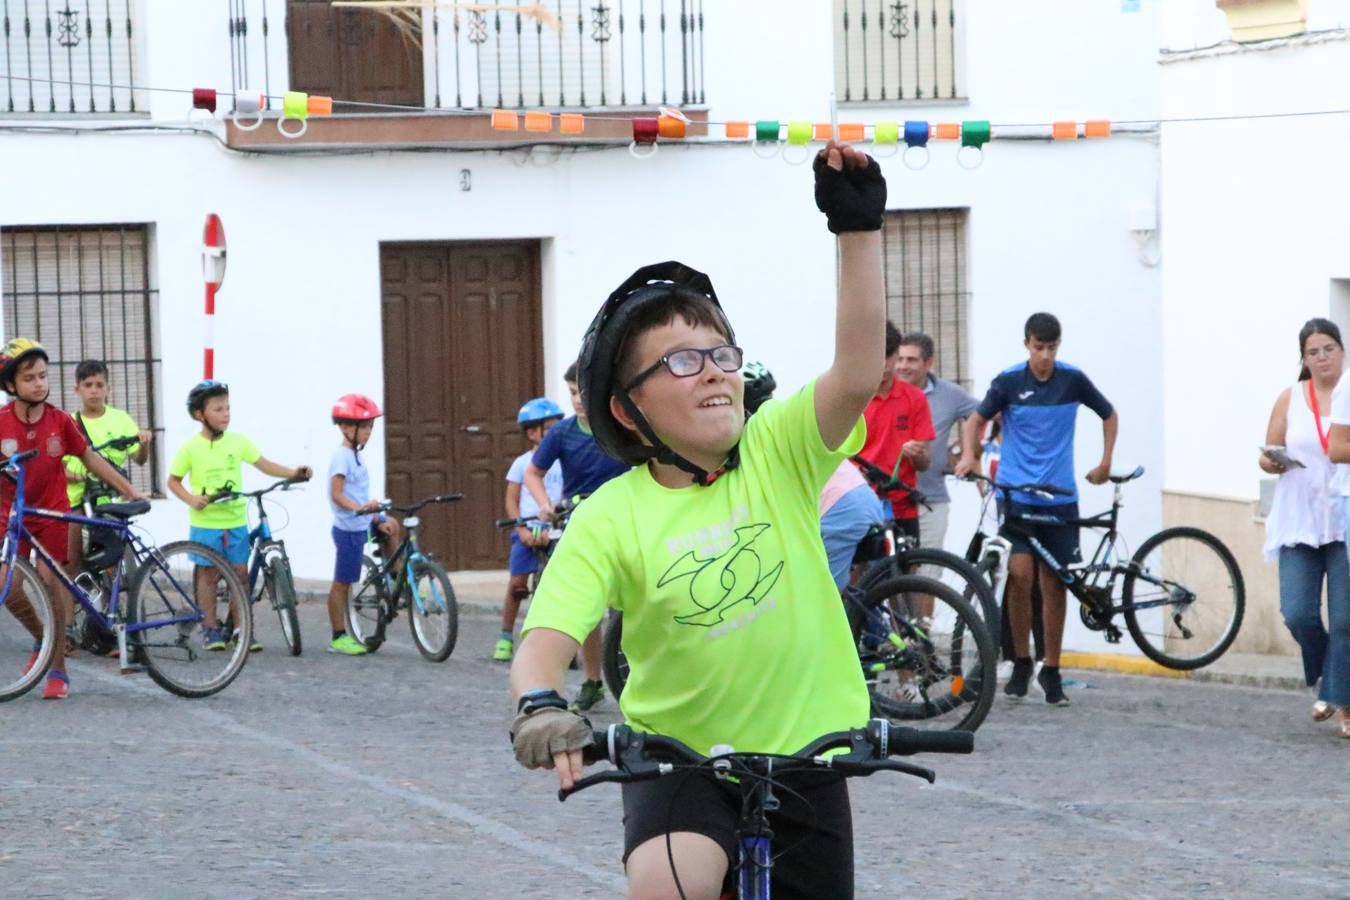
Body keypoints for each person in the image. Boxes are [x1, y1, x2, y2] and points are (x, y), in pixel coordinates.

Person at [509, 141, 885, 897]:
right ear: (629, 408)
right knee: (667, 883)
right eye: (680, 361)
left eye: (720, 353)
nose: (713, 369)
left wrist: (858, 233)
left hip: (810, 757)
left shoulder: (777, 448)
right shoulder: (613, 515)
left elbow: (857, 371)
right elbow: (545, 637)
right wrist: (540, 702)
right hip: (678, 763)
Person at [955, 312, 1117, 706]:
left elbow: (1108, 414)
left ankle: (1053, 669)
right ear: (1026, 344)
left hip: (1061, 497)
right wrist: (971, 459)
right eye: (1039, 347)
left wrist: (1105, 462)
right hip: (1018, 495)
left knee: (1054, 584)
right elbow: (975, 419)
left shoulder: (1072, 379)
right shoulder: (1010, 381)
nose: (1045, 356)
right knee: (1020, 575)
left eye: (1052, 348)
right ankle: (1022, 660)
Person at [0, 339, 145, 700]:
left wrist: (127, 488)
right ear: (10, 385)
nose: (38, 383)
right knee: (7, 585)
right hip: (10, 514)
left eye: (43, 376)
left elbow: (90, 457)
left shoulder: (59, 420)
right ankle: (43, 639)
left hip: (51, 513)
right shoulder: (1, 423)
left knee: (52, 583)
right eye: (29, 377)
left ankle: (58, 670)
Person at [167, 381, 311, 653]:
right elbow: (173, 481)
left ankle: (239, 628)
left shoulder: (238, 442)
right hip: (206, 523)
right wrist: (191, 499)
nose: (226, 414)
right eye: (218, 409)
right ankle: (210, 629)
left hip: (235, 521)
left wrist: (293, 473)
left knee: (240, 574)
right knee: (208, 576)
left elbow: (264, 464)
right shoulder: (190, 448)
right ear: (200, 414)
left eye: (228, 408)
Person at [521, 361, 628, 711]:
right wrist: (544, 504)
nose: (578, 399)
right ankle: (593, 679)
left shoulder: (619, 427)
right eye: (571, 393)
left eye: (583, 391)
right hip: (579, 524)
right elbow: (534, 473)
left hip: (623, 520)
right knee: (590, 608)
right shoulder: (561, 433)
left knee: (629, 605)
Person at [1274, 319, 1349, 740]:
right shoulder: (1291, 397)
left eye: (1328, 349)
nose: (1322, 358)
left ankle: (1344, 704)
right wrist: (1272, 461)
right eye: (1313, 352)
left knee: (1344, 621)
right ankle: (1331, 681)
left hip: (1341, 517)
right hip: (1300, 519)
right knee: (1298, 613)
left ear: (1342, 350)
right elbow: (1269, 448)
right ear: (1303, 359)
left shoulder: (1349, 393)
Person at [326, 393, 400, 656]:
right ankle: (338, 636)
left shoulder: (355, 455)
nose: (369, 432)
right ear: (346, 428)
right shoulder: (342, 457)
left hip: (363, 520)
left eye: (370, 426)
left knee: (391, 524)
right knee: (342, 583)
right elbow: (336, 494)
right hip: (349, 528)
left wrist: (372, 512)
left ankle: (394, 582)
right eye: (364, 427)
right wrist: (359, 508)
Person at [62, 359, 153, 568]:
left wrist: (145, 443)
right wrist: (74, 475)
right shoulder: (69, 421)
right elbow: (58, 465)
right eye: (88, 385)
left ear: (108, 389)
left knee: (111, 561)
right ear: (77, 389)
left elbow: (139, 459)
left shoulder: (121, 419)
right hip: (76, 500)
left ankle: (113, 599)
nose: (94, 391)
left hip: (109, 500)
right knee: (69, 561)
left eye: (99, 385)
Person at [894, 333, 977, 555]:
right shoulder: (885, 392)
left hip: (931, 498)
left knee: (927, 572)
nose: (902, 366)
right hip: (888, 500)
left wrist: (965, 453)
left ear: (929, 363)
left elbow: (984, 416)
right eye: (899, 359)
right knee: (884, 577)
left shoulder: (951, 394)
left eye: (911, 360)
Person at [496, 397, 564, 661]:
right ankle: (504, 635)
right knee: (517, 584)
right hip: (527, 527)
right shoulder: (523, 463)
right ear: (531, 432)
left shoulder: (563, 460)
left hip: (555, 528)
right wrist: (521, 529)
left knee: (558, 586)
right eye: (548, 428)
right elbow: (511, 499)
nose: (553, 433)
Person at [858, 321, 934, 542]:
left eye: (888, 356)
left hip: (902, 503)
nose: (882, 365)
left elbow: (924, 463)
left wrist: (919, 454)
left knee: (907, 571)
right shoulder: (853, 398)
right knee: (861, 572)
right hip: (861, 500)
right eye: (875, 356)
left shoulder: (915, 398)